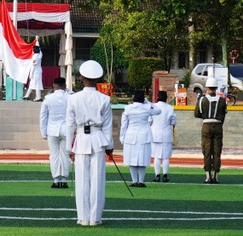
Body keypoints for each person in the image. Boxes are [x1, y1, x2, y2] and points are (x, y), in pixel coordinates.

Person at [66, 60, 114, 227]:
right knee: (97, 179)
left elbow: (70, 125)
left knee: (81, 180)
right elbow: (107, 126)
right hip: (98, 139)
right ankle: (95, 218)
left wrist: (68, 147)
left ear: (81, 78)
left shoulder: (73, 99)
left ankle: (83, 217)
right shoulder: (105, 99)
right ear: (98, 78)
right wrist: (109, 147)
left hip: (81, 139)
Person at [120, 89, 161, 187]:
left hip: (131, 135)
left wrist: (122, 137)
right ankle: (141, 181)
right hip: (144, 135)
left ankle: (134, 181)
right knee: (142, 159)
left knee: (132, 159)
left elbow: (123, 124)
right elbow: (158, 111)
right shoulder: (147, 107)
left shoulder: (128, 108)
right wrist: (147, 101)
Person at [194, 77, 227, 184]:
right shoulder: (222, 100)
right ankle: (216, 175)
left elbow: (196, 114)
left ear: (207, 88)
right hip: (218, 126)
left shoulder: (202, 100)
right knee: (217, 151)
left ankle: (208, 176)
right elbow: (223, 115)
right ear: (216, 87)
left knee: (207, 151)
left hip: (206, 126)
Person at [39, 77, 71, 188]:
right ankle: (64, 180)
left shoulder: (48, 98)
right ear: (64, 85)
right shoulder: (70, 97)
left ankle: (56, 180)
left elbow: (43, 117)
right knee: (65, 156)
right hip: (67, 130)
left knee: (54, 156)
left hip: (52, 130)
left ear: (54, 85)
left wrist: (43, 132)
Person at [151, 90, 177, 183]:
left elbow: (149, 120)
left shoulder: (153, 107)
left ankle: (157, 175)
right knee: (165, 157)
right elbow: (173, 121)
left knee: (156, 156)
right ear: (166, 98)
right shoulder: (170, 108)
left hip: (155, 134)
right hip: (166, 134)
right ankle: (165, 175)